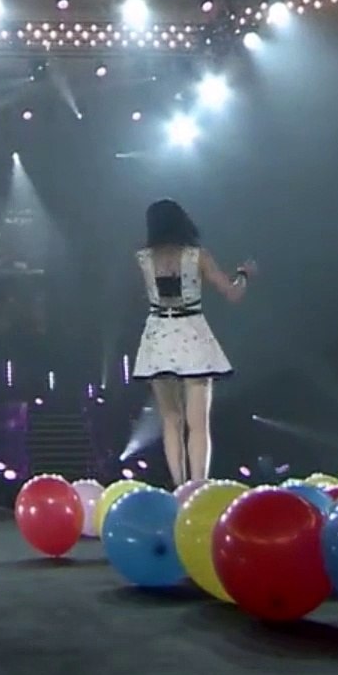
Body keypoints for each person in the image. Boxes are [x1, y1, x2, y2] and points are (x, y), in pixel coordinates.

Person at [130, 200, 253, 486]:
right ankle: (198, 486)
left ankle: (179, 486)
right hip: (192, 335)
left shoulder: (142, 259)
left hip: (158, 336)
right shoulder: (198, 256)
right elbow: (232, 293)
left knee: (170, 421)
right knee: (198, 423)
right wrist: (243, 274)